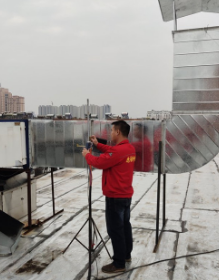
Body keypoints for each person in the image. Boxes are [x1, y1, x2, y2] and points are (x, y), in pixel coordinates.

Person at [82, 120, 136, 273]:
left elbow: (99, 162)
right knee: (125, 226)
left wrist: (87, 155)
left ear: (118, 132)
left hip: (115, 197)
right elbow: (111, 151)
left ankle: (118, 264)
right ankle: (126, 255)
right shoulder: (129, 148)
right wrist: (98, 144)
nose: (111, 133)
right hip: (125, 195)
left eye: (112, 130)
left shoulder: (118, 152)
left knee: (115, 230)